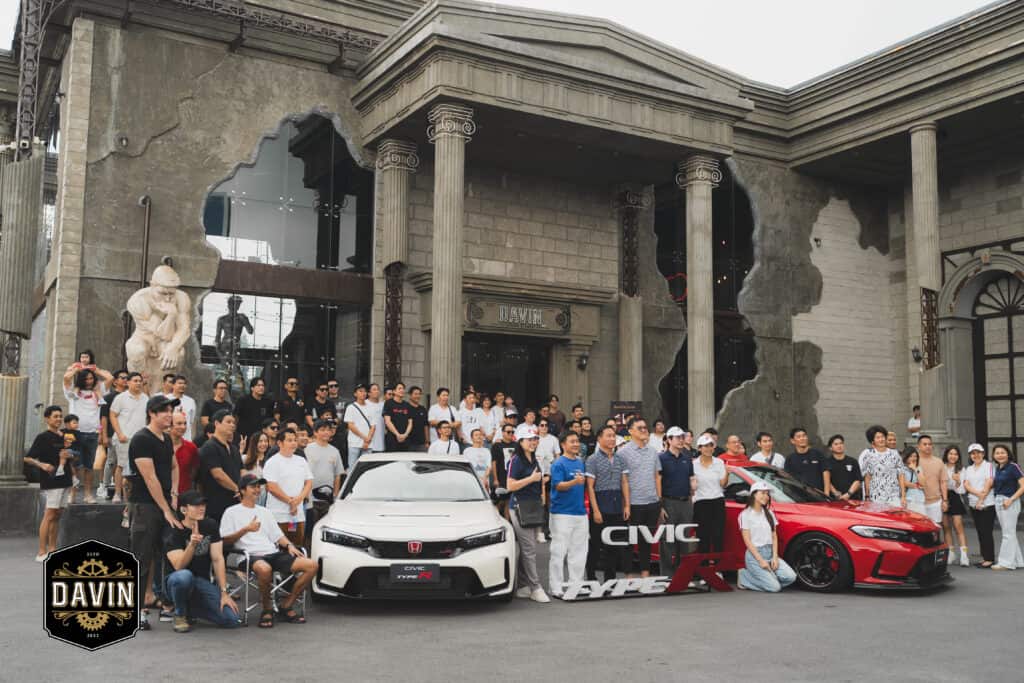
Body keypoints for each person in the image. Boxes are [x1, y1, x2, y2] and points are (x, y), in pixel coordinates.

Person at [219, 474, 316, 627]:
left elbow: (278, 536)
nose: (258, 490)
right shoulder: (231, 512)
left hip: (272, 553)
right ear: (242, 490)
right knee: (264, 569)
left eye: (259, 486)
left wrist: (289, 545)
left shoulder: (265, 512)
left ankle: (286, 604)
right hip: (248, 556)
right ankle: (267, 608)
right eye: (253, 486)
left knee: (311, 565)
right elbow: (224, 541)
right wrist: (246, 529)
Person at [129, 395, 185, 630]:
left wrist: (173, 494)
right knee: (142, 558)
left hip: (164, 505)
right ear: (152, 412)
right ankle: (138, 611)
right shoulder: (141, 439)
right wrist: (166, 510)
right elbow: (150, 479)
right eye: (165, 411)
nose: (169, 415)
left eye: (171, 411)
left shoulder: (166, 439)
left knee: (167, 556)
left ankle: (166, 605)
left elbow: (174, 465)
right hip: (145, 507)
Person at [163, 490, 240, 632]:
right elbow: (179, 566)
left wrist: (224, 593)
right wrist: (192, 545)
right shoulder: (172, 530)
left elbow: (218, 559)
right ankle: (180, 614)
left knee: (232, 620)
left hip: (201, 582)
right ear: (183, 509)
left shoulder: (210, 525)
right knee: (184, 576)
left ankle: (190, 610)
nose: (201, 508)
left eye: (203, 504)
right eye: (196, 505)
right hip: (175, 582)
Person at [24, 406, 74, 561]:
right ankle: (41, 551)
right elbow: (28, 458)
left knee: (58, 515)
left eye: (60, 416)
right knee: (49, 514)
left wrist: (70, 455)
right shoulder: (42, 437)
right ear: (47, 419)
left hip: (65, 478)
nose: (58, 419)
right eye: (55, 416)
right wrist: (42, 465)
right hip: (51, 480)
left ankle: (53, 549)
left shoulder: (65, 436)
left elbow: (70, 457)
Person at [506, 424, 550, 603]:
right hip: (519, 507)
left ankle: (523, 586)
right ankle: (535, 587)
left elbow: (540, 481)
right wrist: (531, 479)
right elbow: (510, 486)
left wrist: (541, 495)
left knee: (528, 548)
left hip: (532, 506)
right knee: (529, 548)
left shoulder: (533, 458)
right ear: (520, 441)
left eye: (536, 439)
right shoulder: (516, 460)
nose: (534, 442)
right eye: (530, 439)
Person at [617, 417, 662, 577]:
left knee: (647, 540)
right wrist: (626, 504)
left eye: (645, 427)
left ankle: (645, 573)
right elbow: (623, 480)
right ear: (630, 431)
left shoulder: (652, 451)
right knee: (630, 541)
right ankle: (628, 575)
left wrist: (659, 500)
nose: (644, 430)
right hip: (633, 503)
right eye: (640, 428)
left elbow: (657, 477)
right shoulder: (623, 453)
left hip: (652, 502)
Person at [585, 425, 631, 582]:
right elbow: (590, 487)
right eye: (608, 436)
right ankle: (590, 577)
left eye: (613, 436)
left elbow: (624, 482)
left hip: (617, 506)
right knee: (596, 545)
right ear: (599, 438)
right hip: (600, 505)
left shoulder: (621, 459)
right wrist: (595, 511)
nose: (612, 439)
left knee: (614, 545)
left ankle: (610, 580)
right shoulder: (592, 459)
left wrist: (627, 505)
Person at [62, 361, 112, 503]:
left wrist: (95, 369)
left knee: (89, 467)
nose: (89, 381)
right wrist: (78, 368)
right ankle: (72, 494)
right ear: (80, 379)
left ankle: (88, 494)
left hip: (92, 433)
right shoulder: (72, 392)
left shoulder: (98, 391)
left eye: (91, 378)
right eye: (86, 379)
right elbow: (66, 378)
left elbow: (110, 378)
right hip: (75, 434)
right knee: (74, 466)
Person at [737, 481, 797, 592]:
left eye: (767, 494)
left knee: (791, 577)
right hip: (755, 556)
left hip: (770, 552)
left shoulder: (769, 513)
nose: (766, 496)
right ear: (754, 494)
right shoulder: (745, 515)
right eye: (763, 493)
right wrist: (761, 561)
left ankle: (769, 579)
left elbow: (774, 537)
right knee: (774, 588)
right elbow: (747, 541)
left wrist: (775, 557)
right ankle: (744, 577)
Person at [548, 431, 588, 597]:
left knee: (579, 551)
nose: (576, 444)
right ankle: (555, 586)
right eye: (572, 441)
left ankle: (575, 584)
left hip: (580, 512)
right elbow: (558, 486)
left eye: (577, 441)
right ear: (563, 445)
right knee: (559, 551)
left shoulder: (580, 462)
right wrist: (574, 482)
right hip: (561, 513)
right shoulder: (558, 463)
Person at [263, 428, 313, 548]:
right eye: (289, 440)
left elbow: (309, 481)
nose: (293, 443)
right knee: (277, 547)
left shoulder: (301, 460)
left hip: (295, 516)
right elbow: (271, 487)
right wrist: (290, 501)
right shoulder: (273, 462)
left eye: (295, 440)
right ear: (280, 443)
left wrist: (298, 500)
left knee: (296, 544)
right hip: (278, 514)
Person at [658, 426, 696, 575]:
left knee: (684, 538)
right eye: (677, 437)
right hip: (669, 501)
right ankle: (667, 574)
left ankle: (682, 573)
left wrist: (691, 498)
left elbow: (690, 480)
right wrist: (660, 505)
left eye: (682, 437)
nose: (681, 440)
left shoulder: (687, 459)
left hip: (685, 502)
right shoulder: (661, 458)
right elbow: (658, 481)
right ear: (669, 440)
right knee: (667, 538)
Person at [108, 371, 149, 506]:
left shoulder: (146, 398)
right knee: (122, 465)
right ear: (129, 382)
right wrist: (119, 433)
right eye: (135, 380)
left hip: (141, 439)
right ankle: (117, 493)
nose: (138, 383)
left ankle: (136, 494)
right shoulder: (121, 398)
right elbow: (112, 415)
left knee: (139, 467)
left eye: (140, 381)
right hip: (124, 438)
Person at [197, 410, 242, 522]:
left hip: (235, 503)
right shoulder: (209, 446)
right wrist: (237, 489)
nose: (232, 425)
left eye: (233, 422)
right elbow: (218, 475)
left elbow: (242, 470)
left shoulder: (234, 448)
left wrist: (244, 487)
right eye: (228, 422)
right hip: (216, 503)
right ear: (217, 423)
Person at [693, 433, 728, 557]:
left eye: (710, 446)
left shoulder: (719, 462)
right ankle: (704, 567)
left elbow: (723, 484)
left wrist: (727, 473)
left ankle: (718, 567)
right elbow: (692, 487)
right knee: (703, 536)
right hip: (701, 502)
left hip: (717, 501)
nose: (708, 449)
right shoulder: (693, 464)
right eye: (705, 446)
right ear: (699, 448)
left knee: (718, 536)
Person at [963, 443, 997, 568]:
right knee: (980, 532)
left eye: (978, 452)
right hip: (974, 504)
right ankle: (984, 557)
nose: (975, 455)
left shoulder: (988, 466)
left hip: (987, 504)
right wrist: (978, 495)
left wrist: (981, 499)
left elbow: (989, 482)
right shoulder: (969, 469)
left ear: (983, 453)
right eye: (973, 453)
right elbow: (966, 484)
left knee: (986, 532)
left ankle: (990, 559)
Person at [991, 444, 1024, 570]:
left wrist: (1011, 499)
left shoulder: (1013, 467)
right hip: (999, 501)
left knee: (1007, 534)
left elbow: (1023, 486)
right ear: (994, 456)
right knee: (1009, 533)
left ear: (1008, 453)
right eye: (997, 453)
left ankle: (1005, 563)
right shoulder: (998, 468)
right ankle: (1017, 561)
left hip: (1009, 501)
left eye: (1002, 452)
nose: (1000, 455)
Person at [98, 369, 128, 500]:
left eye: (127, 378)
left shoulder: (129, 397)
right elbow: (103, 418)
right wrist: (104, 435)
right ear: (115, 381)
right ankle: (104, 486)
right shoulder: (108, 398)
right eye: (122, 377)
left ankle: (120, 488)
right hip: (111, 434)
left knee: (123, 463)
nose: (125, 380)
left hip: (126, 434)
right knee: (111, 461)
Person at [860, 425, 905, 506]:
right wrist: (867, 496)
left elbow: (901, 475)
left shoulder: (894, 454)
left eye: (882, 436)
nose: (881, 439)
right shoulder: (868, 455)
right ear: (872, 441)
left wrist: (903, 496)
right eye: (878, 437)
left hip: (893, 496)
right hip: (875, 496)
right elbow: (867, 477)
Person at [942, 446, 971, 567]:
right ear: (946, 455)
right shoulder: (941, 467)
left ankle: (964, 555)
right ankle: (951, 553)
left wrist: (958, 482)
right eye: (950, 453)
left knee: (958, 525)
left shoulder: (961, 469)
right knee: (946, 526)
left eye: (955, 454)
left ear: (958, 456)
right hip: (943, 496)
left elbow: (962, 490)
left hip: (955, 496)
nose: (953, 456)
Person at [915, 434, 949, 523]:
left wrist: (945, 500)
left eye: (930, 444)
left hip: (935, 502)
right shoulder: (913, 461)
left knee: (935, 530)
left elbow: (943, 482)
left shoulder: (938, 462)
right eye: (925, 444)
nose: (928, 446)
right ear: (918, 446)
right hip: (917, 502)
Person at [489, 423, 518, 517]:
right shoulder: (497, 445)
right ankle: (495, 520)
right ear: (502, 433)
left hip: (512, 477)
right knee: (499, 501)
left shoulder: (517, 445)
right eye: (508, 432)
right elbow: (494, 462)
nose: (510, 434)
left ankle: (507, 522)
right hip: (501, 476)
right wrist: (495, 478)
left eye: (512, 432)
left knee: (508, 501)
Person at [234, 377, 274, 444]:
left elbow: (270, 419)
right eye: (258, 385)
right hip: (245, 436)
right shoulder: (243, 400)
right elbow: (236, 417)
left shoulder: (268, 402)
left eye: (263, 385)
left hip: (261, 437)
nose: (261, 387)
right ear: (252, 388)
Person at [343, 384, 375, 467]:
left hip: (368, 444)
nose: (363, 393)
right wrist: (365, 438)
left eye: (365, 391)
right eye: (360, 391)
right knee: (353, 467)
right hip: (354, 443)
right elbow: (351, 425)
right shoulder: (351, 407)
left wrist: (368, 439)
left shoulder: (371, 407)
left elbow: (373, 426)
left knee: (366, 467)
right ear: (355, 394)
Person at [822, 434, 862, 501]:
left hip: (853, 499)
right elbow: (826, 481)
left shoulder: (852, 461)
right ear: (830, 448)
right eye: (836, 444)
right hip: (834, 499)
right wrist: (835, 492)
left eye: (841, 443)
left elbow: (858, 480)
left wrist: (848, 494)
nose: (839, 446)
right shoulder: (827, 462)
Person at [170, 412, 199, 495]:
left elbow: (194, 471)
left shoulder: (191, 447)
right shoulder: (159, 446)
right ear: (170, 425)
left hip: (184, 494)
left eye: (185, 423)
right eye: (179, 424)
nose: (183, 427)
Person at [383, 382, 413, 452]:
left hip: (405, 438)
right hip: (392, 438)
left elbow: (410, 422)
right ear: (394, 391)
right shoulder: (388, 403)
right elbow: (387, 421)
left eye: (403, 389)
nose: (402, 390)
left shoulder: (407, 405)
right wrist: (397, 434)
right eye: (399, 388)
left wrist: (405, 434)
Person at [242, 431, 271, 504]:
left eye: (265, 441)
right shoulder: (244, 459)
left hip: (264, 499)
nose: (263, 444)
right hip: (247, 499)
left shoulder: (270, 461)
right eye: (260, 441)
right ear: (254, 443)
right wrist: (240, 450)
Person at [169, 375, 198, 441]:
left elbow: (192, 422)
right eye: (180, 383)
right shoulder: (166, 399)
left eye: (184, 383)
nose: (182, 385)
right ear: (173, 385)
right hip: (169, 438)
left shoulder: (191, 401)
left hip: (186, 438)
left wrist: (192, 438)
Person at [406, 386, 430, 452]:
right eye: (415, 394)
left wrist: (427, 441)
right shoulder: (405, 407)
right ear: (410, 395)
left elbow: (426, 426)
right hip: (408, 443)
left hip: (421, 443)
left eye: (419, 394)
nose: (418, 396)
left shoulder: (423, 409)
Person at [366, 383, 386, 453]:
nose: (377, 391)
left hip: (381, 442)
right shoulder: (364, 404)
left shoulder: (384, 404)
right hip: (368, 443)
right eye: (374, 390)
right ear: (369, 393)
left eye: (378, 389)